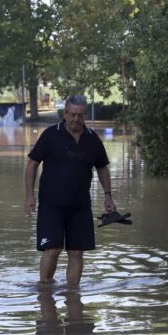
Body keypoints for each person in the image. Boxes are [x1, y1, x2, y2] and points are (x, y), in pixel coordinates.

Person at [24, 94, 116, 286]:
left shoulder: (92, 139)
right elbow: (33, 163)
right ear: (65, 113)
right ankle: (45, 289)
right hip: (51, 205)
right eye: (72, 114)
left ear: (85, 116)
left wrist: (108, 195)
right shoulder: (50, 135)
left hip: (80, 205)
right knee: (53, 249)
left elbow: (102, 168)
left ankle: (73, 294)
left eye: (80, 115)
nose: (76, 119)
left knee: (76, 252)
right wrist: (29, 195)